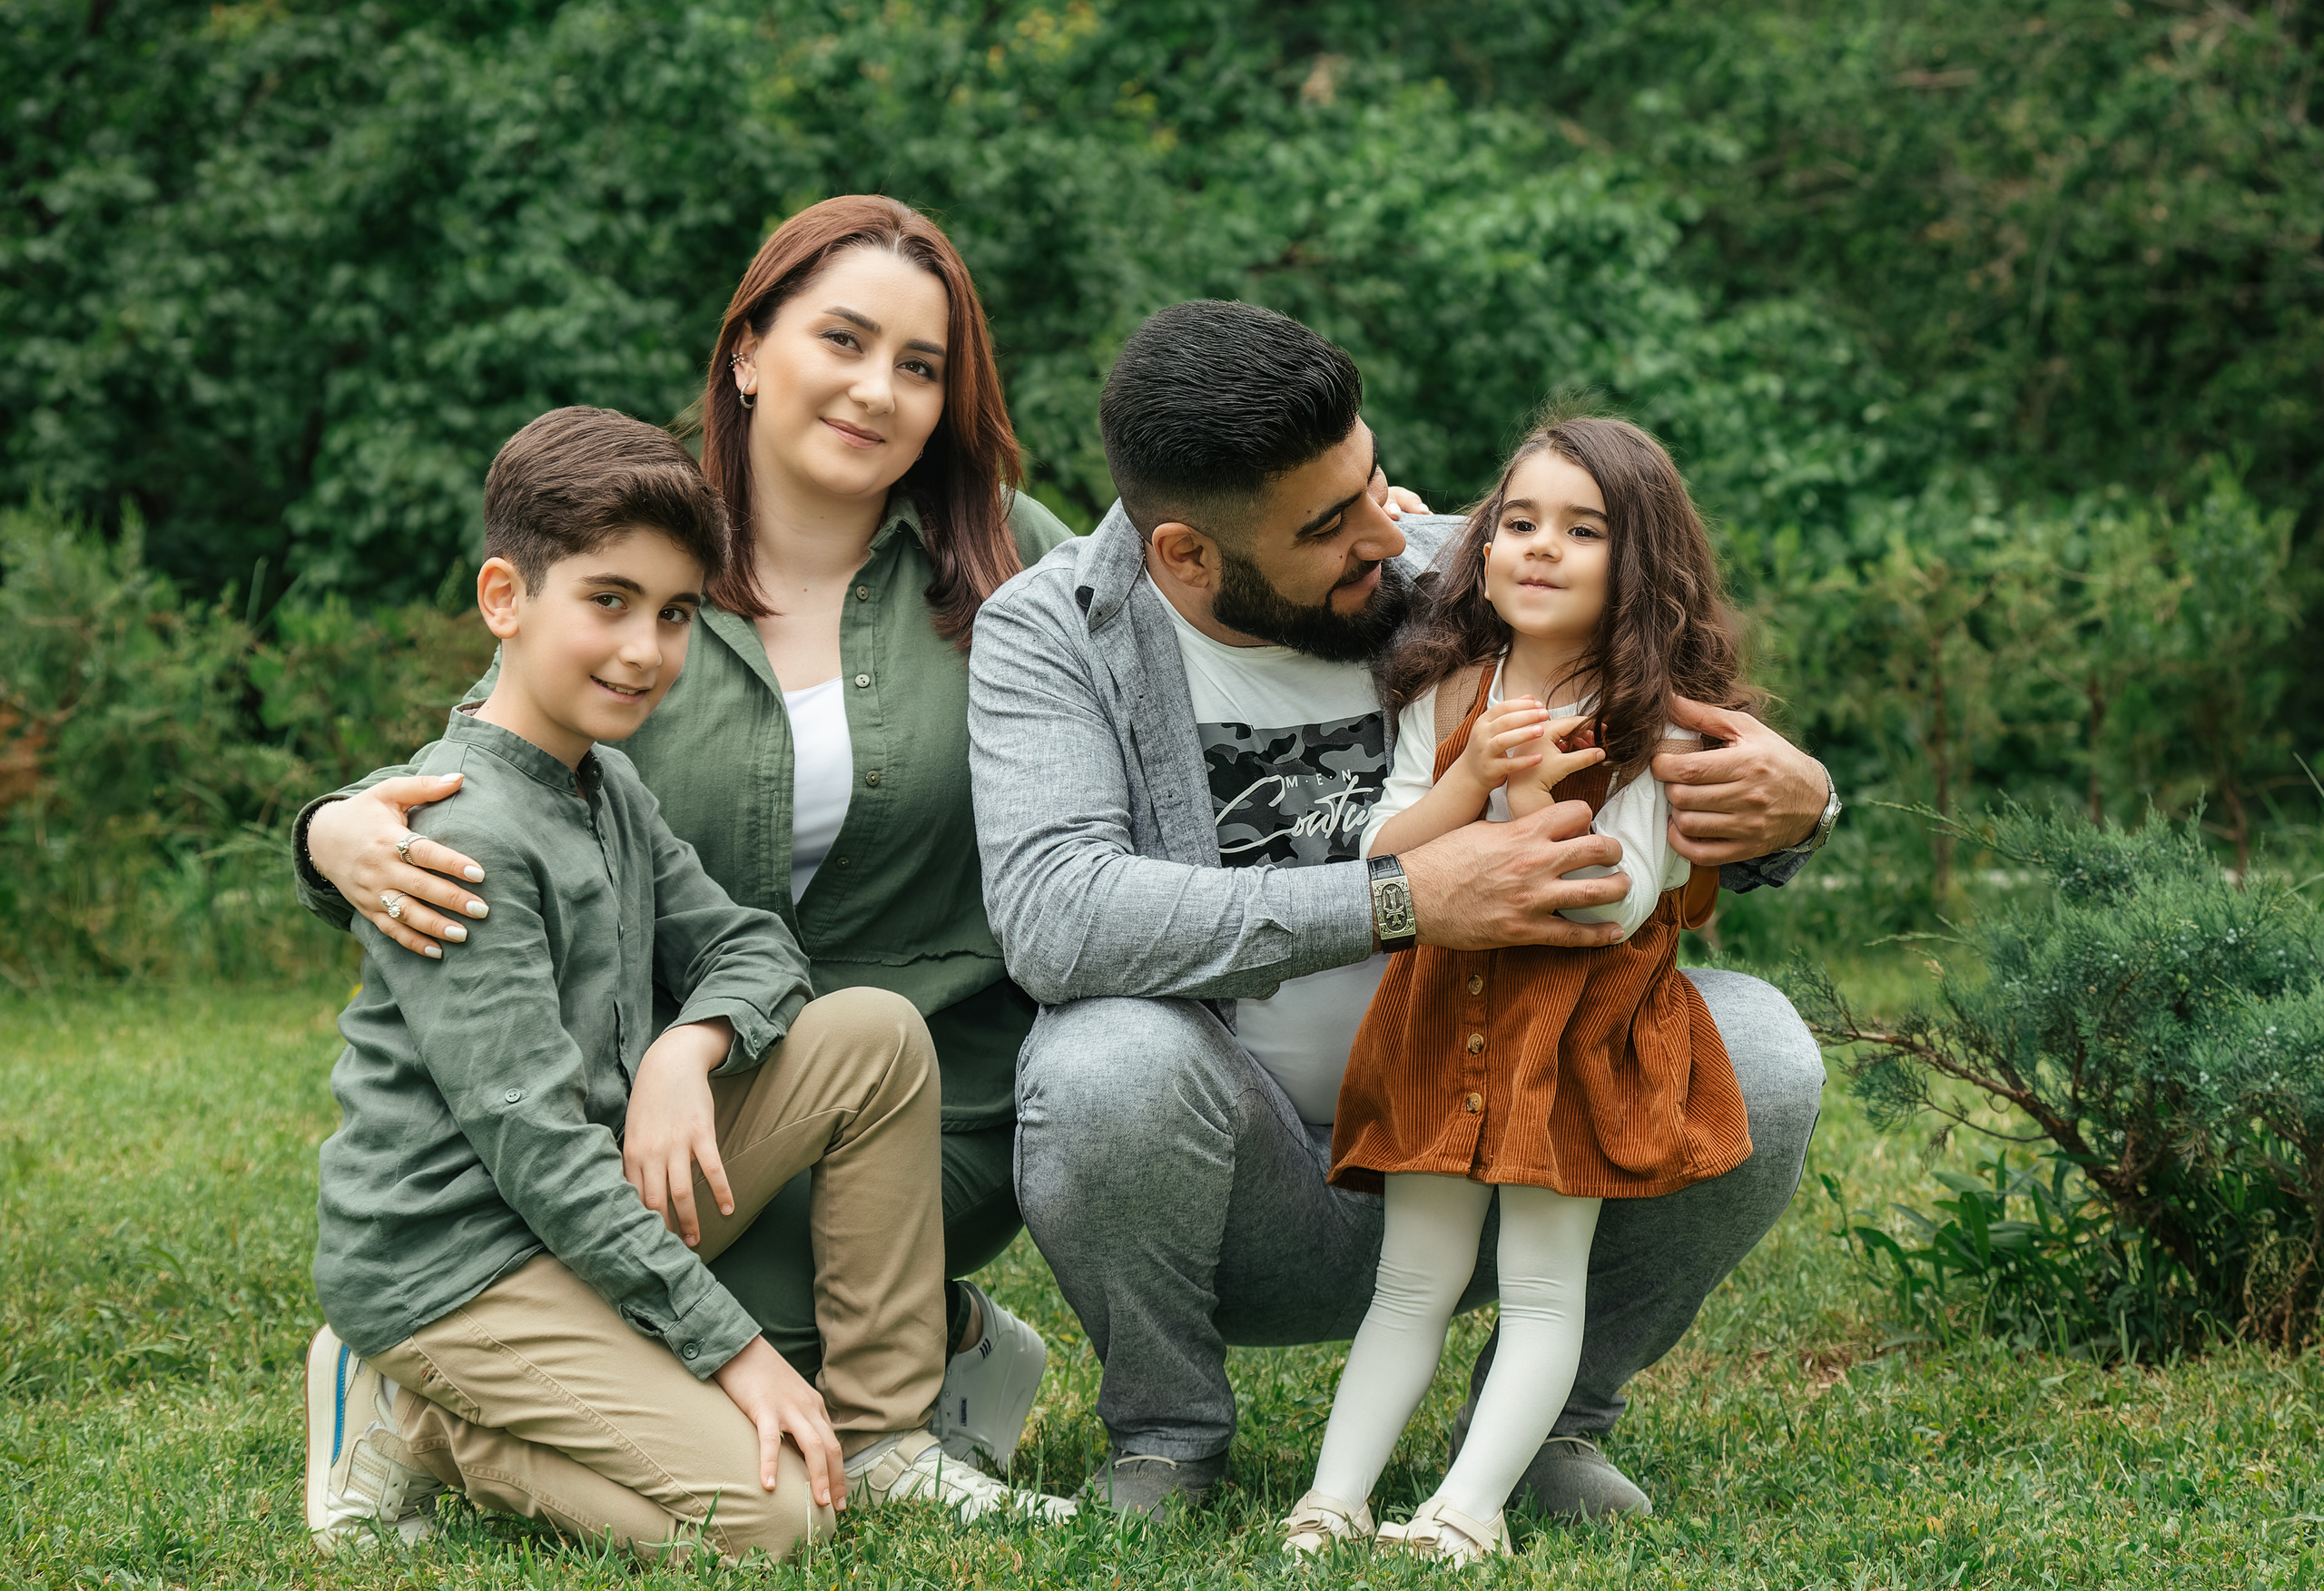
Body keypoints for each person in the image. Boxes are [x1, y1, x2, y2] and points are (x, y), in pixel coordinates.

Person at [968, 300, 1842, 1518]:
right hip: (1240, 1179)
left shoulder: (1472, 570)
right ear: (1186, 557)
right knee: (1102, 1060)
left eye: (1376, 481)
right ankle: (1167, 1435)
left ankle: (1544, 1429)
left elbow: (1670, 739)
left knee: (1763, 1054)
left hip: (1521, 1122)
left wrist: (1801, 805)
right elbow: (1060, 917)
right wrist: (1402, 898)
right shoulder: (1053, 635)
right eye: (1331, 525)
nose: (1397, 531)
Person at [290, 197, 1071, 1475]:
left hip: (918, 1099)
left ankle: (911, 1367)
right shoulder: (639, 546)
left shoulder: (1005, 554)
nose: (879, 391)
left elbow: (1192, 606)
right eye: (844, 340)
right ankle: (411, 1384)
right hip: (657, 1123)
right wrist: (327, 830)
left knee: (783, 1200)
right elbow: (491, 763)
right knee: (675, 1343)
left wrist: (1402, 543)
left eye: (920, 367)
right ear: (750, 351)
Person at [1281, 415, 1761, 1563]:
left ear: (1638, 563)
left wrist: (1540, 793)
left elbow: (1623, 901)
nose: (1538, 548)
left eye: (1581, 530)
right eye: (1518, 523)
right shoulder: (1452, 687)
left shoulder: (1653, 716)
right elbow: (1384, 848)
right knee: (1412, 1278)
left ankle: (1468, 1506)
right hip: (1445, 1014)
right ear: (1481, 548)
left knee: (1544, 1280)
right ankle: (1332, 1498)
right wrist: (1474, 780)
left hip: (1577, 1027)